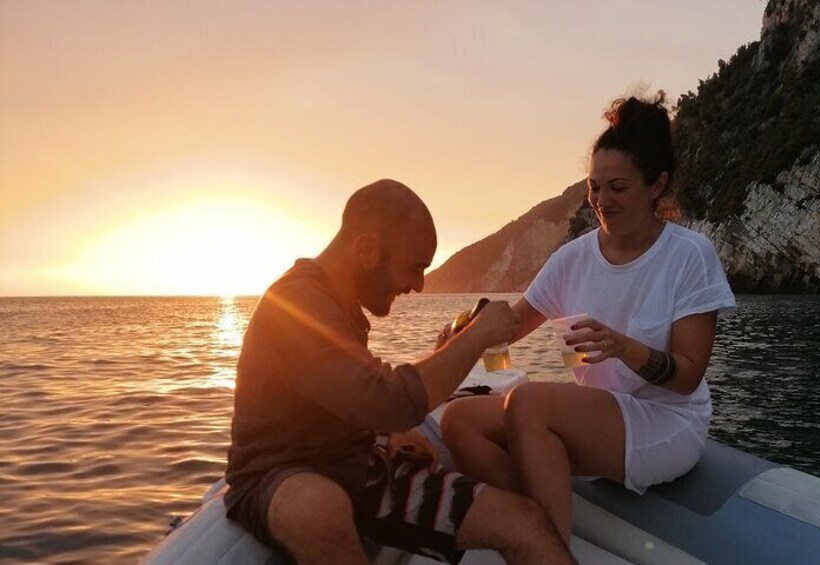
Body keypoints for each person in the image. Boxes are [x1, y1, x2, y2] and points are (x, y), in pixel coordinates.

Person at [224, 179, 574, 565]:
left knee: (525, 521)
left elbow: (352, 396)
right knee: (317, 509)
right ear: (366, 249)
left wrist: (387, 432)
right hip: (277, 473)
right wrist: (475, 337)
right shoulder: (297, 304)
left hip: (357, 462)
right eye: (414, 268)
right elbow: (382, 400)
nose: (418, 285)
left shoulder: (339, 304)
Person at [440, 93, 737, 548]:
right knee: (459, 421)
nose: (602, 200)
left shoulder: (688, 255)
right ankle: (533, 522)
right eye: (594, 187)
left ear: (656, 185)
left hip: (665, 420)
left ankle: (545, 552)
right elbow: (511, 327)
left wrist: (626, 348)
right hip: (593, 420)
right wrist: (460, 340)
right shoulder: (571, 259)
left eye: (617, 188)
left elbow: (687, 377)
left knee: (528, 402)